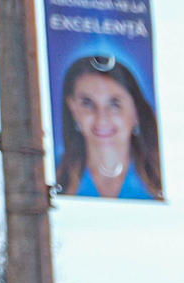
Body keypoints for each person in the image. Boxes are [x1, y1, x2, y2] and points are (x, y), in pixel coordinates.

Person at [54, 54, 164, 201]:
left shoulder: (163, 177)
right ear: (73, 109)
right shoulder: (51, 174)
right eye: (87, 103)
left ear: (136, 111)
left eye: (114, 105)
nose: (102, 118)